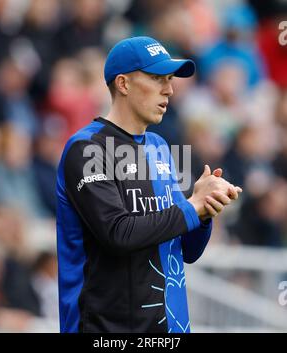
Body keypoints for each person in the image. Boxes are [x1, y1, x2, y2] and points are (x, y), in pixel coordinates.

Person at [56, 36, 242, 333]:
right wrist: (192, 205)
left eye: (169, 79)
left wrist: (205, 211)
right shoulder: (87, 148)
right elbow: (119, 234)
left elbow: (185, 250)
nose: (169, 89)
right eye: (157, 78)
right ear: (123, 84)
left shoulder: (162, 146)